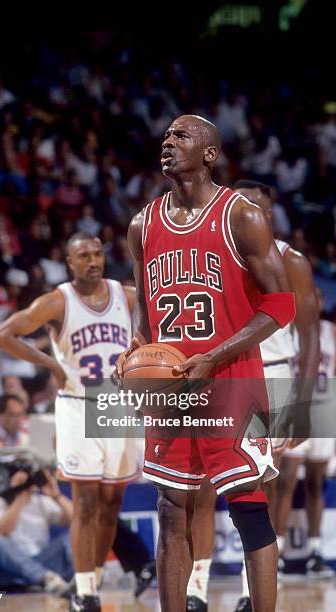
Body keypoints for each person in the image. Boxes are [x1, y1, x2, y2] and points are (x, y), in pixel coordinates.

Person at [117, 115, 296, 612]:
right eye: (166, 135)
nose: (167, 142)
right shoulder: (142, 224)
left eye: (181, 135)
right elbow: (144, 312)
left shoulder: (241, 215)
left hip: (235, 380)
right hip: (172, 389)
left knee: (248, 510)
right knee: (171, 509)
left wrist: (215, 355)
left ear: (210, 154)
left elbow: (282, 305)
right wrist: (134, 350)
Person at [186, 180, 320, 612]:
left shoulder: (291, 261)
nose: (249, 214)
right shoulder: (213, 247)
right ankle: (197, 588)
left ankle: (251, 588)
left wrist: (301, 403)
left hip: (275, 377)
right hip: (222, 372)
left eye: (257, 207)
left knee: (262, 485)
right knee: (203, 485)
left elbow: (311, 336)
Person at [0, 232, 139, 612]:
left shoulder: (127, 295)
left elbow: (155, 328)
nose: (93, 260)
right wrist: (49, 363)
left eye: (97, 253)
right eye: (83, 255)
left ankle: (93, 577)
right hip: (77, 404)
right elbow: (2, 335)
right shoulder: (57, 301)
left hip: (117, 404)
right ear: (69, 262)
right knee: (86, 499)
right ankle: (85, 591)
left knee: (112, 502)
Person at [275, 287, 335, 579]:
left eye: (318, 295)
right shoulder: (288, 329)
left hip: (325, 413)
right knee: (285, 481)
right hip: (297, 410)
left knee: (315, 483)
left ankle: (314, 551)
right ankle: (278, 552)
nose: (316, 299)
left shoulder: (331, 331)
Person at [0, 468, 74, 594]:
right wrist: (20, 497)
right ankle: (44, 578)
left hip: (40, 560)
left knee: (73, 534)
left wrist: (56, 495)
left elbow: (78, 520)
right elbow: (2, 531)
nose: (25, 484)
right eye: (20, 481)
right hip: (7, 570)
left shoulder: (41, 502)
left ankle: (79, 579)